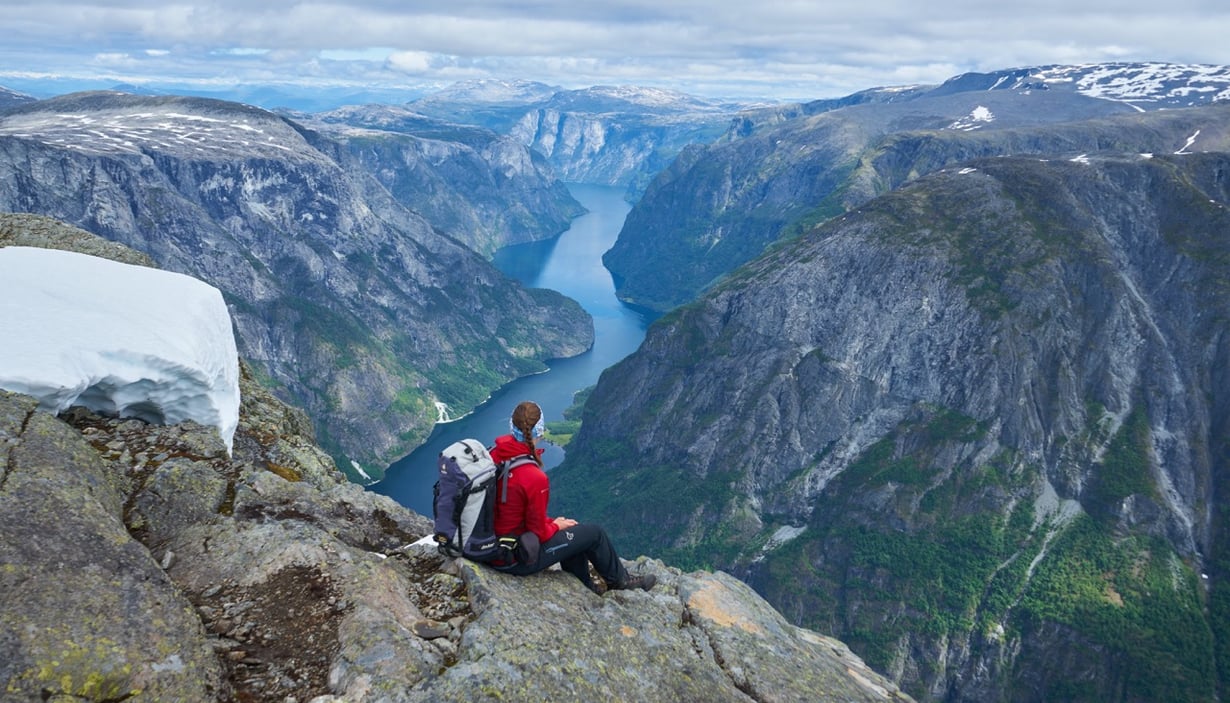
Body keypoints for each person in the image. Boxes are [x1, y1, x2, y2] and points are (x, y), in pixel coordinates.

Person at [489, 400, 656, 594]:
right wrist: (554, 525)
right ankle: (621, 582)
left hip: (491, 546)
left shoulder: (495, 454)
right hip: (513, 558)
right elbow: (539, 532)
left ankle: (586, 589)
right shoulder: (534, 477)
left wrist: (555, 524)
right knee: (594, 534)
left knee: (572, 531)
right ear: (541, 431)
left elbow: (511, 510)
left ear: (512, 426)